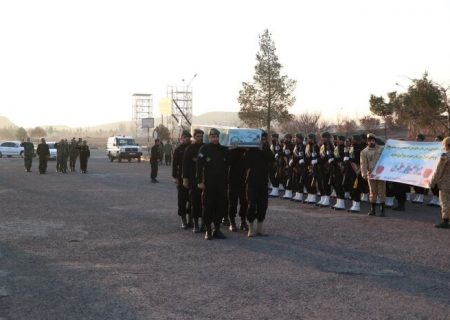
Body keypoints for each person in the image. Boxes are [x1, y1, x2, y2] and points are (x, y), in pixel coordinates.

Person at [197, 128, 228, 240]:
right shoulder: (204, 149)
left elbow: (230, 161)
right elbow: (199, 166)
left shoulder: (223, 149)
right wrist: (200, 181)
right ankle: (208, 230)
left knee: (219, 206)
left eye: (217, 137)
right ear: (209, 137)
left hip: (221, 183)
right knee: (208, 206)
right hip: (208, 183)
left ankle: (217, 229)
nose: (215, 139)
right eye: (213, 137)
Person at [244, 131, 274, 237]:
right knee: (251, 205)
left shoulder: (266, 149)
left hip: (263, 181)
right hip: (252, 181)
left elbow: (272, 158)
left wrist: (264, 149)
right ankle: (251, 228)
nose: (263, 141)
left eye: (264, 139)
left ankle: (260, 228)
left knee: (263, 205)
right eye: (261, 139)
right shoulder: (250, 150)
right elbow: (246, 162)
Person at [183, 129, 205, 233]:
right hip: (193, 180)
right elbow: (185, 165)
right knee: (195, 202)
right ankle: (196, 224)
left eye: (201, 136)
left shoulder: (206, 148)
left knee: (205, 203)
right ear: (194, 137)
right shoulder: (190, 149)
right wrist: (185, 179)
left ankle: (204, 223)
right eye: (198, 136)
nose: (200, 138)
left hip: (205, 180)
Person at [361, 133, 385, 216]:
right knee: (372, 191)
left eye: (373, 140)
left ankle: (382, 210)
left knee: (381, 191)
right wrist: (364, 174)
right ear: (367, 142)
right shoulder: (364, 152)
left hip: (381, 173)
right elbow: (363, 164)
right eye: (370, 141)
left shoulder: (381, 149)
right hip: (370, 173)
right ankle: (372, 210)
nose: (371, 142)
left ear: (375, 141)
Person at [172, 131, 192, 229]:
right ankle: (183, 220)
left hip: (192, 178)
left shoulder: (193, 148)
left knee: (192, 200)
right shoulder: (178, 149)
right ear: (181, 138)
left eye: (188, 137)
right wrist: (174, 177)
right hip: (181, 178)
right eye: (184, 137)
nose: (186, 139)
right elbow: (174, 164)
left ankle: (191, 219)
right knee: (182, 200)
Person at [430, 137, 450, 228]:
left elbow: (438, 171)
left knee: (445, 202)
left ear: (446, 145)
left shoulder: (445, 156)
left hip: (446, 184)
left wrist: (432, 182)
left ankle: (445, 221)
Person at [227, 147, 248, 231]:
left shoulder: (247, 149)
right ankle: (232, 222)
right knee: (232, 201)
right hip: (233, 178)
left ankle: (243, 221)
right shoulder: (231, 149)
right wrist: (232, 149)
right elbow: (228, 161)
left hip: (245, 179)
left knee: (244, 201)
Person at [412, 133, 426, 203]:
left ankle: (421, 197)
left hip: (422, 167)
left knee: (420, 182)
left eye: (418, 139)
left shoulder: (426, 147)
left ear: (422, 139)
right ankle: (417, 195)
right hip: (415, 167)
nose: (416, 140)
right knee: (415, 182)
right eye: (416, 138)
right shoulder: (415, 146)